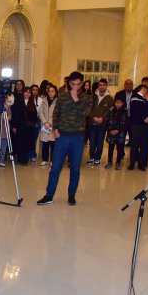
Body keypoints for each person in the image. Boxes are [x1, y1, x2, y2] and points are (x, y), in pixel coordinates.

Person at [37, 71, 92, 206]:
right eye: (73, 84)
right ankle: (49, 195)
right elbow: (56, 114)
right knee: (55, 168)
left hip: (78, 138)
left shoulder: (87, 98)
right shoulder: (61, 97)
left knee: (75, 169)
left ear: (82, 84)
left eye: (78, 84)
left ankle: (71, 195)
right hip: (62, 137)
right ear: (69, 83)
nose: (75, 87)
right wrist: (55, 130)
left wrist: (75, 98)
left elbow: (84, 113)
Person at [86, 78, 113, 165]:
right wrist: (93, 117)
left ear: (106, 86)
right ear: (98, 86)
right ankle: (92, 157)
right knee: (92, 141)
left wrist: (102, 118)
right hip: (92, 122)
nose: (102, 87)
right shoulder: (93, 96)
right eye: (100, 85)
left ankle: (97, 158)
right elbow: (89, 109)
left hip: (102, 124)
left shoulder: (109, 98)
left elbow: (109, 110)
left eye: (104, 85)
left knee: (100, 141)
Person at [127, 84, 148, 171]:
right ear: (143, 89)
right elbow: (136, 110)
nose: (147, 92)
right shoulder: (135, 97)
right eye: (146, 90)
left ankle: (141, 164)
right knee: (134, 145)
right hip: (136, 125)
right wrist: (144, 118)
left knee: (144, 145)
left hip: (144, 126)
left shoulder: (145, 99)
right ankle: (132, 163)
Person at [104, 97, 129, 170]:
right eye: (116, 102)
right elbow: (107, 121)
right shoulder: (111, 111)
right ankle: (109, 162)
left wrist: (118, 130)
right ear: (114, 103)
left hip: (120, 133)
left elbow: (126, 124)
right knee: (111, 148)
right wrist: (110, 130)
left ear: (123, 103)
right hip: (111, 132)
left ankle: (118, 163)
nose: (118, 104)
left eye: (120, 102)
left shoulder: (125, 112)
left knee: (120, 148)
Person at [39, 84, 58, 166]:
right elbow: (40, 113)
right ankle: (45, 159)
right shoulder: (44, 100)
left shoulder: (58, 101)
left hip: (53, 126)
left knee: (53, 144)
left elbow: (57, 114)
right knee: (45, 143)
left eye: (52, 91)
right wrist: (45, 122)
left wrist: (49, 123)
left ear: (55, 92)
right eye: (49, 91)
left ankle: (53, 160)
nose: (51, 93)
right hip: (45, 125)